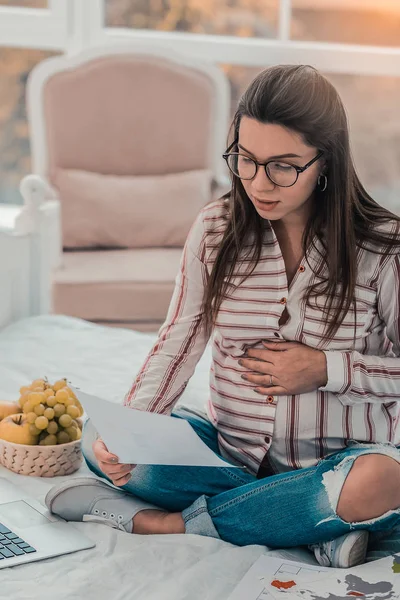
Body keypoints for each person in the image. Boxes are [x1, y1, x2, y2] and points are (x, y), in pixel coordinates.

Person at [46, 64, 400, 569]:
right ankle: (298, 521)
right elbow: (178, 341)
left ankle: (169, 522)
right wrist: (128, 432)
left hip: (340, 465)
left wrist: (328, 369)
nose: (259, 183)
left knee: (381, 482)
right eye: (245, 160)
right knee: (97, 437)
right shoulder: (215, 229)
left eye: (283, 166)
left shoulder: (384, 248)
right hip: (230, 459)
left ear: (327, 161)